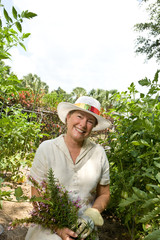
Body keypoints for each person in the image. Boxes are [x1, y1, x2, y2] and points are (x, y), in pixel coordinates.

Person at [25, 96, 111, 240]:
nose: (83, 124)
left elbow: (104, 194)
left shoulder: (99, 153)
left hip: (83, 228)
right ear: (68, 117)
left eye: (90, 121)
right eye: (79, 116)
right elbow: (36, 195)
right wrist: (58, 228)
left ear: (94, 127)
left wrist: (91, 216)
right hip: (49, 223)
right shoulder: (47, 148)